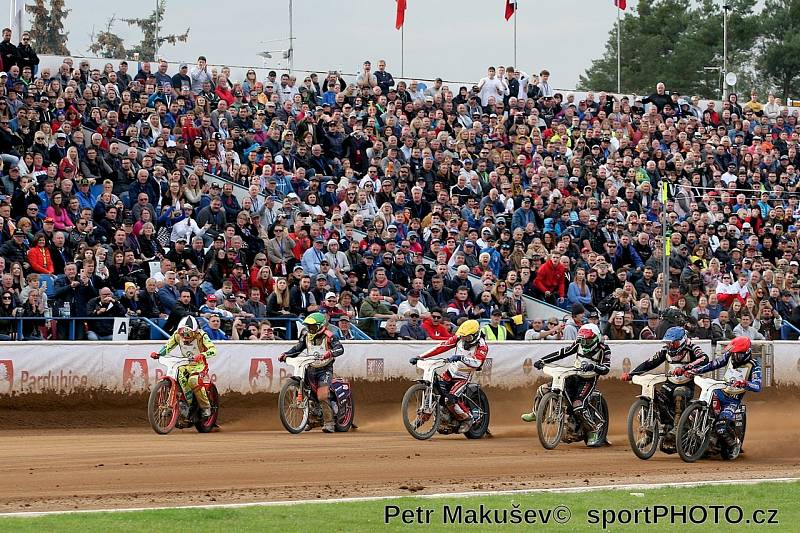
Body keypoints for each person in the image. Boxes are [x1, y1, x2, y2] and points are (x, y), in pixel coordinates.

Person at [521, 324, 610, 447]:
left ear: (595, 338)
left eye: (588, 340)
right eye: (583, 340)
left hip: (588, 380)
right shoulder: (579, 344)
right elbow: (562, 352)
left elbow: (606, 368)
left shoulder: (604, 348)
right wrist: (543, 360)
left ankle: (592, 431)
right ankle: (537, 413)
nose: (585, 343)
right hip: (573, 375)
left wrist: (593, 366)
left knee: (578, 406)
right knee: (543, 389)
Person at [621, 327, 709, 438]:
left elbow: (704, 358)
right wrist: (631, 374)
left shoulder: (692, 347)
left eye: (674, 343)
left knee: (679, 394)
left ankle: (678, 428)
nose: (670, 346)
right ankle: (651, 434)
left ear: (682, 341)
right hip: (670, 382)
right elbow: (649, 363)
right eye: (668, 343)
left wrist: (686, 368)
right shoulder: (665, 350)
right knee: (656, 397)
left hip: (686, 384)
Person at [676, 336, 761, 450]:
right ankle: (687, 438)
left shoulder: (754, 365)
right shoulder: (729, 356)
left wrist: (745, 383)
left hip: (733, 400)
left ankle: (734, 446)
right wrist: (696, 370)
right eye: (733, 353)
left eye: (738, 354)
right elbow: (713, 364)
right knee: (693, 412)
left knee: (721, 426)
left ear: (746, 353)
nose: (735, 357)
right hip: (719, 392)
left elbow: (757, 386)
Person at [408, 319, 488, 433]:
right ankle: (422, 418)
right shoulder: (459, 338)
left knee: (450, 399)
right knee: (435, 389)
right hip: (450, 372)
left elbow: (478, 362)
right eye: (463, 337)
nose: (465, 340)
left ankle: (467, 418)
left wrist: (461, 358)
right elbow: (441, 346)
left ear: (475, 335)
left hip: (463, 377)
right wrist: (420, 356)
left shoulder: (482, 346)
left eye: (468, 338)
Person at [278, 313, 344, 433]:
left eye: (313, 327)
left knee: (322, 395)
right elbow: (297, 348)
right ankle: (311, 420)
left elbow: (340, 348)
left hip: (325, 369)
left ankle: (329, 423)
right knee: (306, 394)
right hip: (310, 368)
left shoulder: (330, 336)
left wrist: (330, 353)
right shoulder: (306, 336)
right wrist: (286, 354)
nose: (310, 329)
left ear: (321, 326)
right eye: (308, 327)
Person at [149, 316, 218, 419]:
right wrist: (159, 354)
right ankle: (184, 402)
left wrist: (203, 355)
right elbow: (168, 346)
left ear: (195, 332)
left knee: (193, 381)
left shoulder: (202, 335)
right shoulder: (177, 335)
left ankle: (206, 407)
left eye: (188, 334)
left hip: (199, 365)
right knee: (178, 375)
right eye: (182, 334)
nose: (185, 338)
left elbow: (213, 350)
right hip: (185, 363)